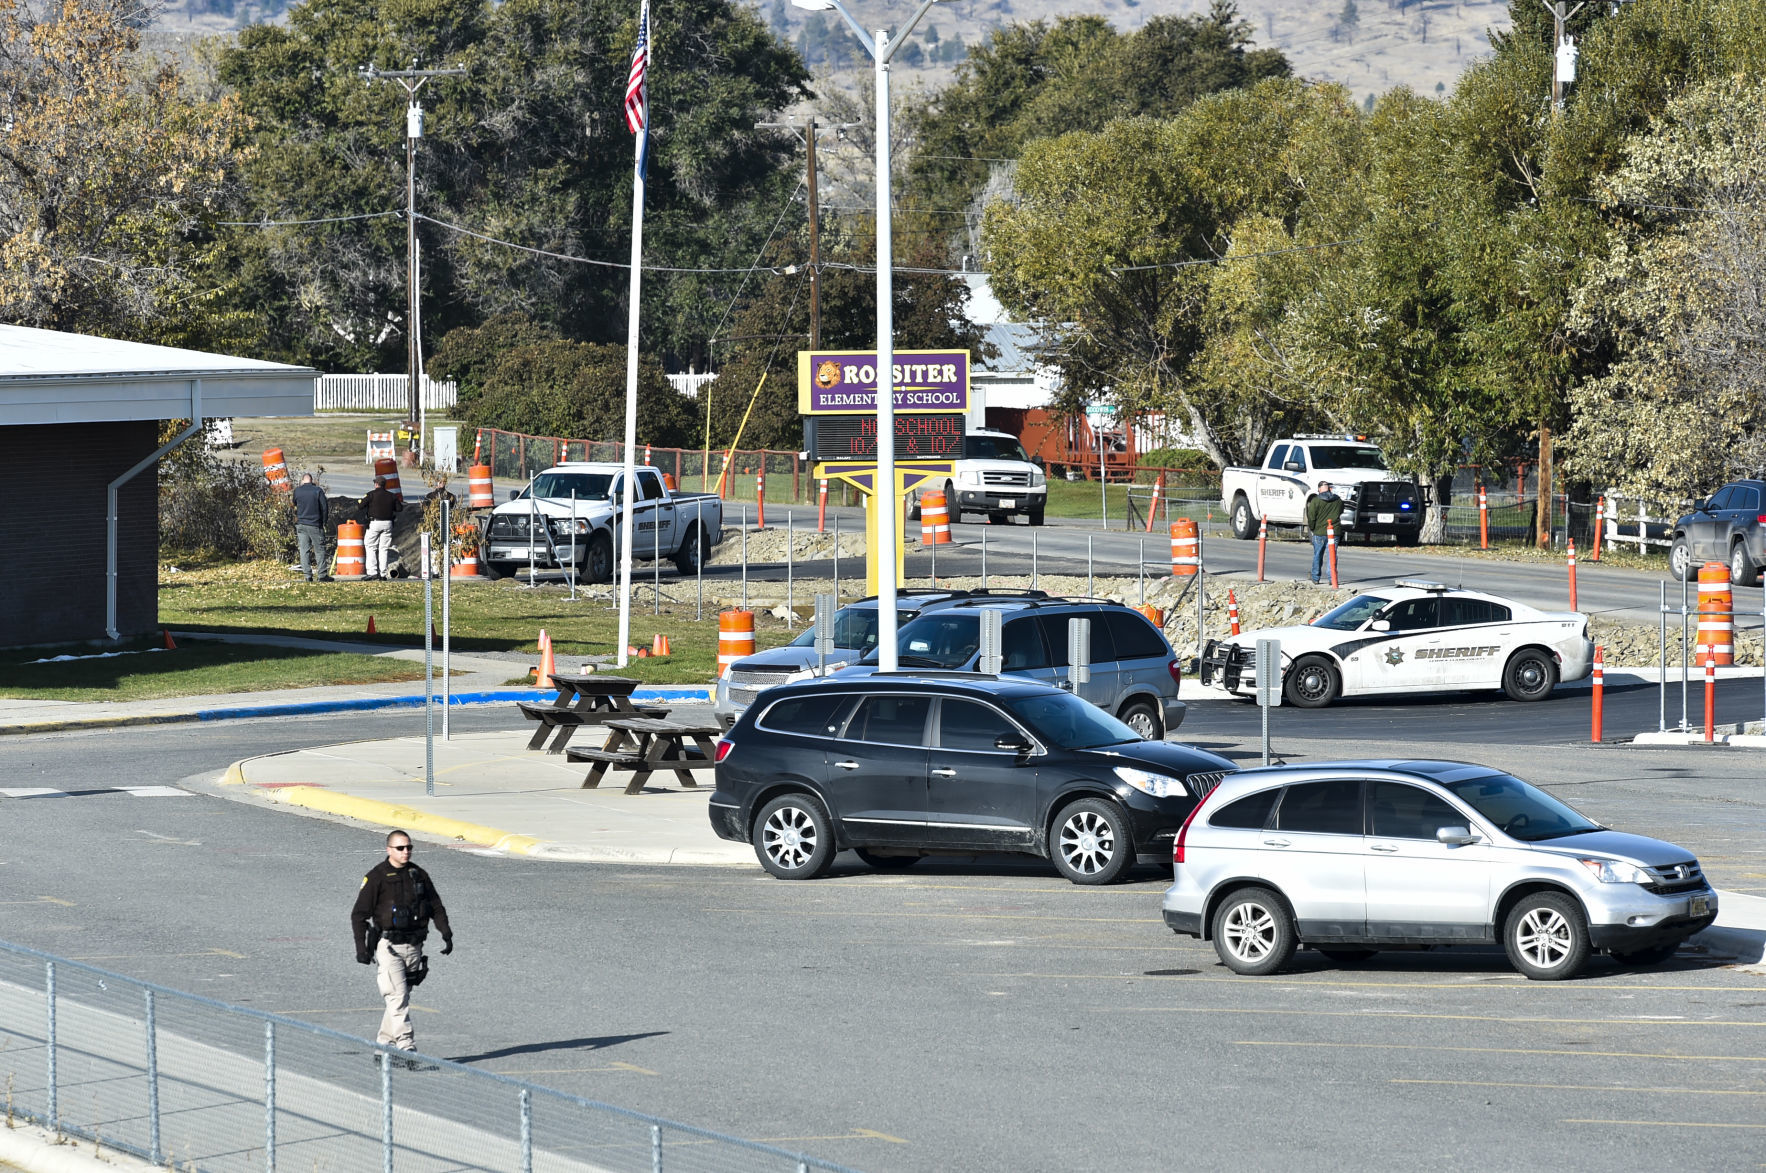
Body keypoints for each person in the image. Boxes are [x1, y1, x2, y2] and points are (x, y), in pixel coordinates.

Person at [351, 830, 452, 1061]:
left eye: (409, 847)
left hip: (414, 946)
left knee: (400, 997)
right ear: (389, 850)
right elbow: (358, 915)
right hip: (389, 947)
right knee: (397, 997)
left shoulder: (418, 875)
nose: (406, 852)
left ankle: (383, 1047)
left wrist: (446, 932)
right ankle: (407, 1048)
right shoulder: (376, 877)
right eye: (400, 848)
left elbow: (436, 905)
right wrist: (361, 948)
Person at [359, 475, 402, 580]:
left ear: (376, 484)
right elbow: (399, 508)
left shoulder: (371, 495)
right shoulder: (392, 496)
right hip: (388, 524)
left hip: (375, 523)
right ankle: (383, 574)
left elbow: (360, 506)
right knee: (384, 549)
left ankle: (372, 572)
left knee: (370, 546)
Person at [292, 473, 332, 582]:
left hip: (301, 524)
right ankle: (322, 575)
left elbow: (294, 502)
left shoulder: (297, 491)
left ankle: (307, 576)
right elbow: (324, 507)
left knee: (304, 550)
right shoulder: (317, 491)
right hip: (315, 524)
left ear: (302, 480)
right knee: (319, 550)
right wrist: (324, 521)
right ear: (312, 480)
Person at [1304, 479, 1344, 584]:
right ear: (1329, 488)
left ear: (1319, 489)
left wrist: (1313, 528)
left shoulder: (1316, 501)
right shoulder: (1338, 500)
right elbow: (1341, 511)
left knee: (1318, 555)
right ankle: (1332, 578)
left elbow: (1311, 517)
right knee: (1332, 555)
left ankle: (1316, 577)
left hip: (1319, 532)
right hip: (1334, 532)